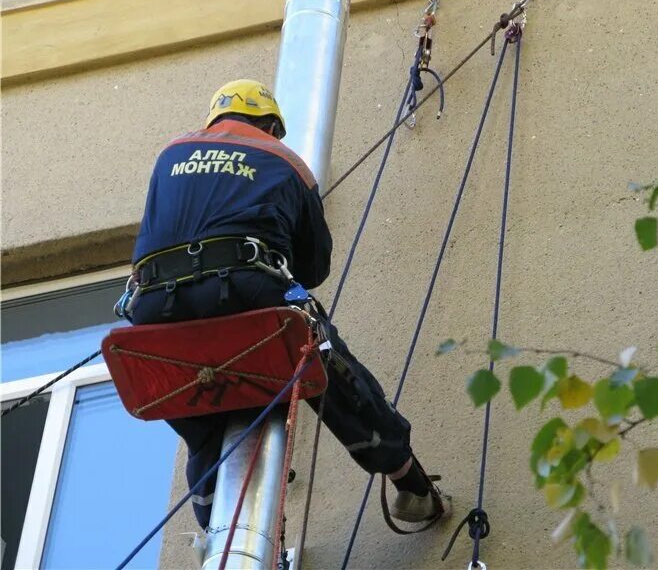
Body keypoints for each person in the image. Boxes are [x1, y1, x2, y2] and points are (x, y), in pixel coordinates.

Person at [129, 79, 449, 531]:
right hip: (246, 289)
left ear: (214, 119)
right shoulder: (285, 161)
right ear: (270, 123)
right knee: (325, 360)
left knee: (204, 402)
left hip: (154, 308)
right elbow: (314, 267)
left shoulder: (170, 155)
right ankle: (406, 479)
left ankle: (208, 510)